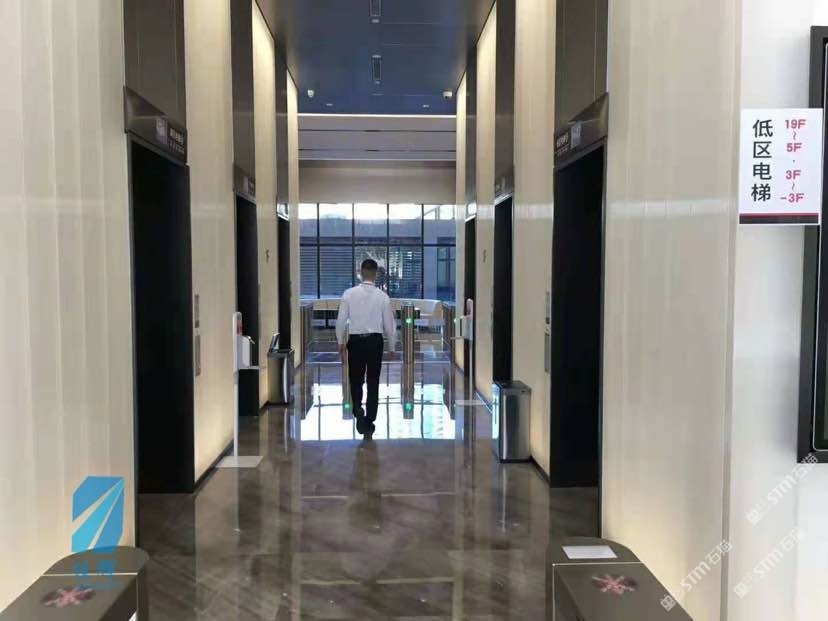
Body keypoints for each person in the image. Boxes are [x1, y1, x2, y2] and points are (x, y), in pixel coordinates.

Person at [336, 259, 397, 435]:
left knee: (355, 379)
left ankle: (357, 410)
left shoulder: (348, 294)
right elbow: (389, 325)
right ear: (376, 274)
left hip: (355, 342)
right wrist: (392, 347)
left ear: (361, 272)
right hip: (375, 342)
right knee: (373, 380)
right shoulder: (382, 297)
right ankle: (370, 418)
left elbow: (341, 321)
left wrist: (340, 342)